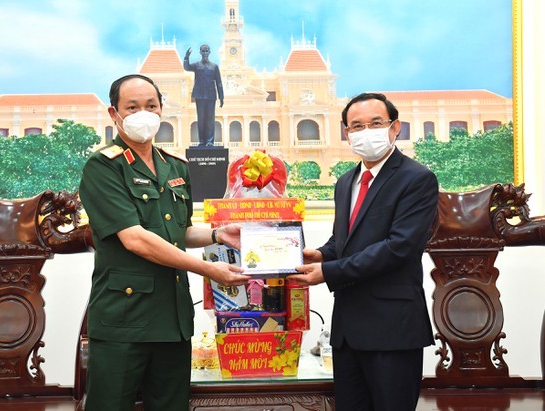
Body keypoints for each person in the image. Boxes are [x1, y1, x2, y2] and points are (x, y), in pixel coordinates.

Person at [78, 74, 250, 411]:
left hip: (172, 320)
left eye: (151, 106)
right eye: (133, 107)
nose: (144, 113)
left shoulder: (175, 167)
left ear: (161, 110)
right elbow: (136, 239)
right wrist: (206, 269)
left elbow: (179, 232)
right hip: (124, 320)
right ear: (115, 114)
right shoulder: (103, 167)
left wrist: (217, 234)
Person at [288, 93, 439, 411]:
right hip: (348, 329)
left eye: (376, 123)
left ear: (395, 127)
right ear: (346, 133)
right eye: (356, 126)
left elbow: (399, 248)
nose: (365, 131)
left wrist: (328, 272)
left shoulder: (417, 179)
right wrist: (322, 255)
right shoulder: (345, 181)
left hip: (392, 328)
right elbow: (343, 240)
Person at [184, 44, 224, 147]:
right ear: (200, 52)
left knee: (210, 119)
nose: (205, 53)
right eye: (203, 51)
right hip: (200, 95)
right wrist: (186, 57)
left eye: (207, 51)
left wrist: (221, 97)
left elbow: (219, 82)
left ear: (209, 52)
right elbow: (187, 67)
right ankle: (202, 140)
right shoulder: (197, 65)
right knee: (201, 119)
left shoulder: (214, 66)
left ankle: (210, 141)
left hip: (211, 95)